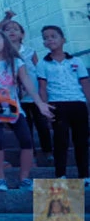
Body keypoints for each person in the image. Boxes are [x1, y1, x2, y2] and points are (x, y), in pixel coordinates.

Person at [0, 30, 53, 191]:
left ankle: (24, 178)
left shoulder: (16, 62)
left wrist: (39, 103)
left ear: (4, 41)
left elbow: (26, 81)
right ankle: (1, 179)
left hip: (12, 105)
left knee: (26, 140)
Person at [37, 26, 89, 185]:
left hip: (78, 103)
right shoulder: (43, 64)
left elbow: (85, 83)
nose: (50, 40)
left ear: (63, 39)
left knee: (81, 141)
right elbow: (42, 88)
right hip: (57, 105)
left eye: (53, 36)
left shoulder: (76, 61)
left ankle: (84, 175)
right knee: (61, 140)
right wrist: (45, 107)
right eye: (46, 38)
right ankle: (60, 174)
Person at [5, 21, 52, 163]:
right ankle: (31, 153)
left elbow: (38, 70)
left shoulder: (30, 51)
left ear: (22, 34)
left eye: (15, 29)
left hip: (34, 92)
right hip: (16, 95)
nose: (12, 31)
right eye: (8, 29)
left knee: (41, 124)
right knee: (25, 126)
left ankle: (48, 151)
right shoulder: (3, 53)